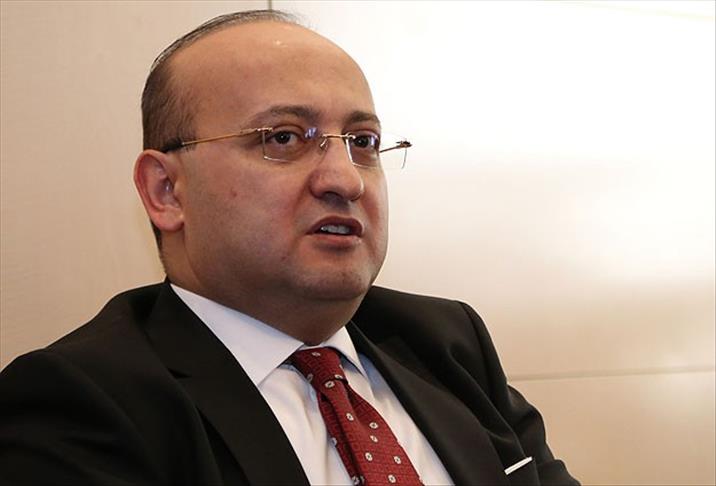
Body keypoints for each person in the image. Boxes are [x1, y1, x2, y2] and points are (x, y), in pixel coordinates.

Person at [0, 10, 579, 486]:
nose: (345, 180)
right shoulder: (81, 403)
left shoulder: (447, 343)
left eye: (363, 141)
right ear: (166, 191)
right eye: (283, 138)